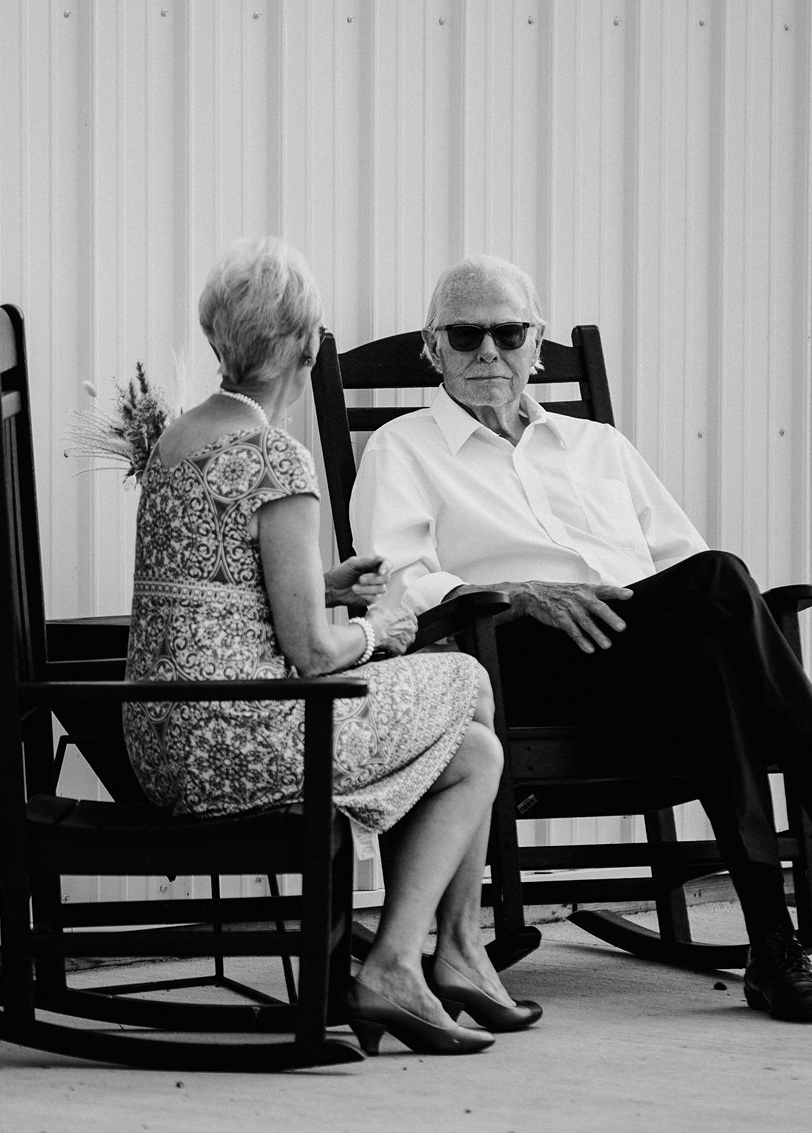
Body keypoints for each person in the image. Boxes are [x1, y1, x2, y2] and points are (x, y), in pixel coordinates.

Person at [349, 254, 812, 1024]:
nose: (489, 351)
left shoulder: (597, 447)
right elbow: (398, 584)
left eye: (508, 332)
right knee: (719, 581)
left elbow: (677, 561)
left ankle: (774, 949)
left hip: (639, 655)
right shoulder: (402, 448)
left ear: (537, 343)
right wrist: (523, 593)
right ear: (432, 347)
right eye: (466, 333)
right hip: (517, 660)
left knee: (708, 661)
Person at [122, 238, 538, 1055]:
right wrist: (378, 625)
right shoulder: (279, 455)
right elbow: (312, 655)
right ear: (309, 346)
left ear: (219, 339)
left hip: (160, 737)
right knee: (464, 681)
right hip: (243, 737)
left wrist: (325, 583)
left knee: (475, 755)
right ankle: (431, 954)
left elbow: (229, 581)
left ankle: (430, 957)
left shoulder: (175, 442)